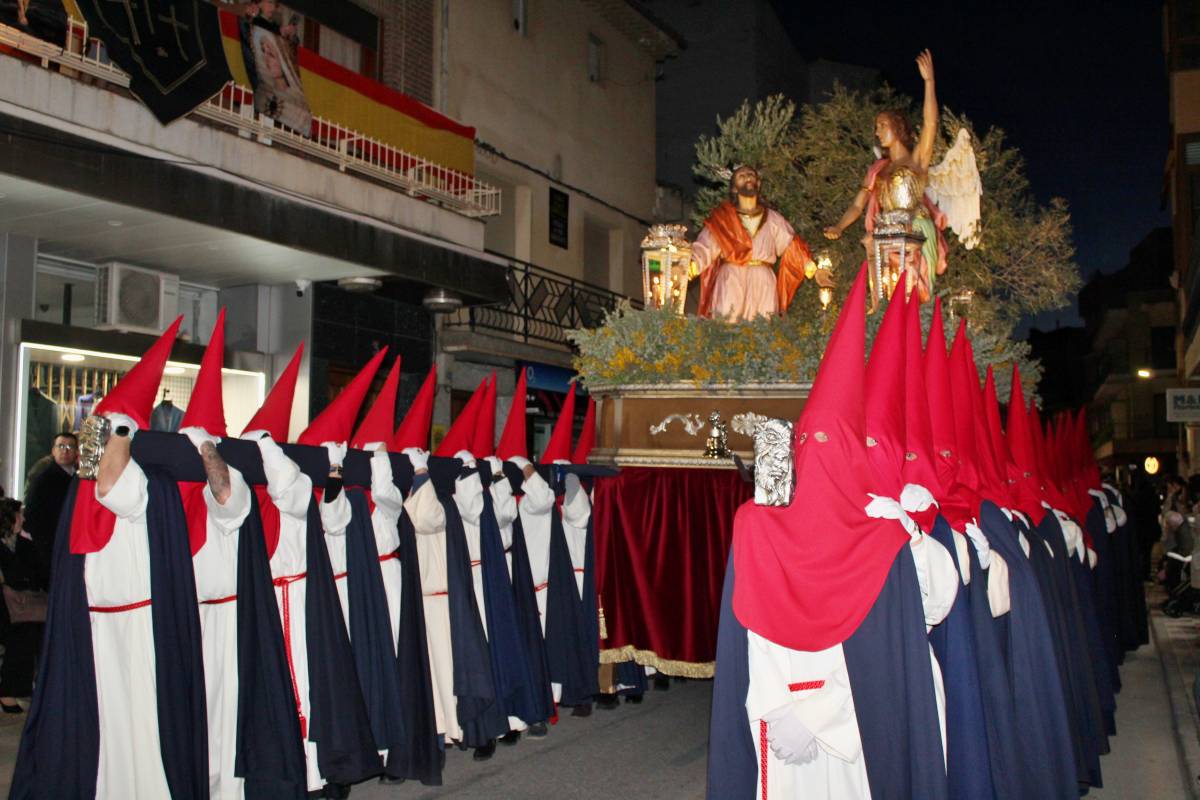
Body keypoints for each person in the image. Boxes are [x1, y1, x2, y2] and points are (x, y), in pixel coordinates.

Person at [824, 50, 948, 305]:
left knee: (915, 292)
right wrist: (839, 226)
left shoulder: (916, 161)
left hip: (916, 232)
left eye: (882, 126)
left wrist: (929, 83)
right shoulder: (878, 170)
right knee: (888, 295)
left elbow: (930, 124)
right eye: (876, 127)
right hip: (885, 236)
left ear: (898, 128)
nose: (877, 132)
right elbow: (858, 204)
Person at [689, 165, 832, 322]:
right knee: (727, 329)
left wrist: (815, 271)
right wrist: (686, 268)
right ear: (734, 188)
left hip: (763, 281)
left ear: (758, 183)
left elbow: (792, 246)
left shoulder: (773, 218)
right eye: (742, 176)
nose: (748, 177)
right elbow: (704, 249)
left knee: (763, 332)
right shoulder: (722, 220)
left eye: (751, 175)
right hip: (731, 279)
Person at [0, 498, 45, 713]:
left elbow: (38, 575)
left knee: (32, 627)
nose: (24, 518)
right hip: (7, 609)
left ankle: (21, 688)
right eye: (20, 515)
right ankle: (10, 691)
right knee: (22, 631)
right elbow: (18, 576)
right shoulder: (9, 548)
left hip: (19, 606)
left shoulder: (24, 544)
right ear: (10, 519)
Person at [23, 431, 78, 579]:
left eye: (70, 447)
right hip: (51, 548)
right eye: (61, 446)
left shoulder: (78, 478)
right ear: (53, 451)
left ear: (77, 452)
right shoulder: (43, 480)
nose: (65, 451)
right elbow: (32, 517)